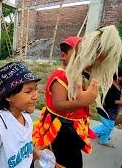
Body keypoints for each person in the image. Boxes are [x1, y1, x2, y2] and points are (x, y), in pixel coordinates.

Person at [33, 27, 121, 168]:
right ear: (63, 55)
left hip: (72, 128)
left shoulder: (79, 76)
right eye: (80, 52)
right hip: (61, 128)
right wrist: (82, 102)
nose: (88, 58)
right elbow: (58, 104)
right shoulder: (61, 76)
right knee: (65, 162)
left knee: (71, 160)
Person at [92, 66, 122, 148]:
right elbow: (108, 101)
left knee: (109, 126)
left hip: (112, 112)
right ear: (118, 77)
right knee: (107, 127)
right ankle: (89, 132)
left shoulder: (119, 85)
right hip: (106, 110)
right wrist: (120, 102)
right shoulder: (110, 87)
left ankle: (103, 140)